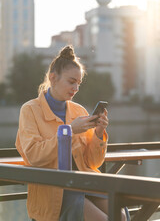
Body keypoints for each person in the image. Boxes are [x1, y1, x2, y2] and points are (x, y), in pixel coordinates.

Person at [16, 45, 127, 221]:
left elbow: (93, 162)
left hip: (86, 183)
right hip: (54, 190)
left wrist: (99, 133)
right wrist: (69, 131)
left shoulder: (79, 110)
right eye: (71, 81)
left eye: (79, 83)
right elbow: (34, 156)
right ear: (53, 78)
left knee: (121, 216)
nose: (76, 88)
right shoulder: (30, 110)